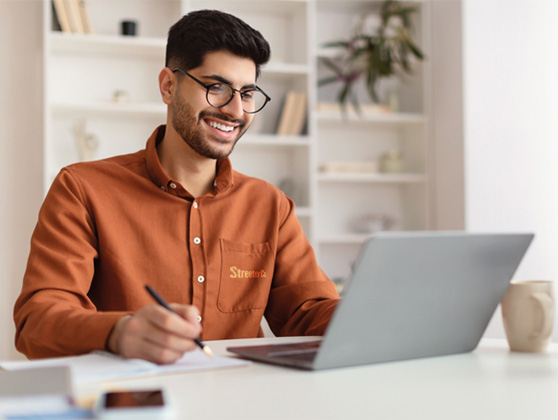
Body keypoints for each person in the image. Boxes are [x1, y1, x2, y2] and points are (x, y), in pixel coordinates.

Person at [14, 10, 339, 364]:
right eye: (216, 87)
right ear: (169, 86)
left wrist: (374, 316)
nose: (235, 109)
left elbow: (307, 313)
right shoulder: (82, 189)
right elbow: (38, 322)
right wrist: (119, 332)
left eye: (247, 93)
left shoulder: (270, 205)